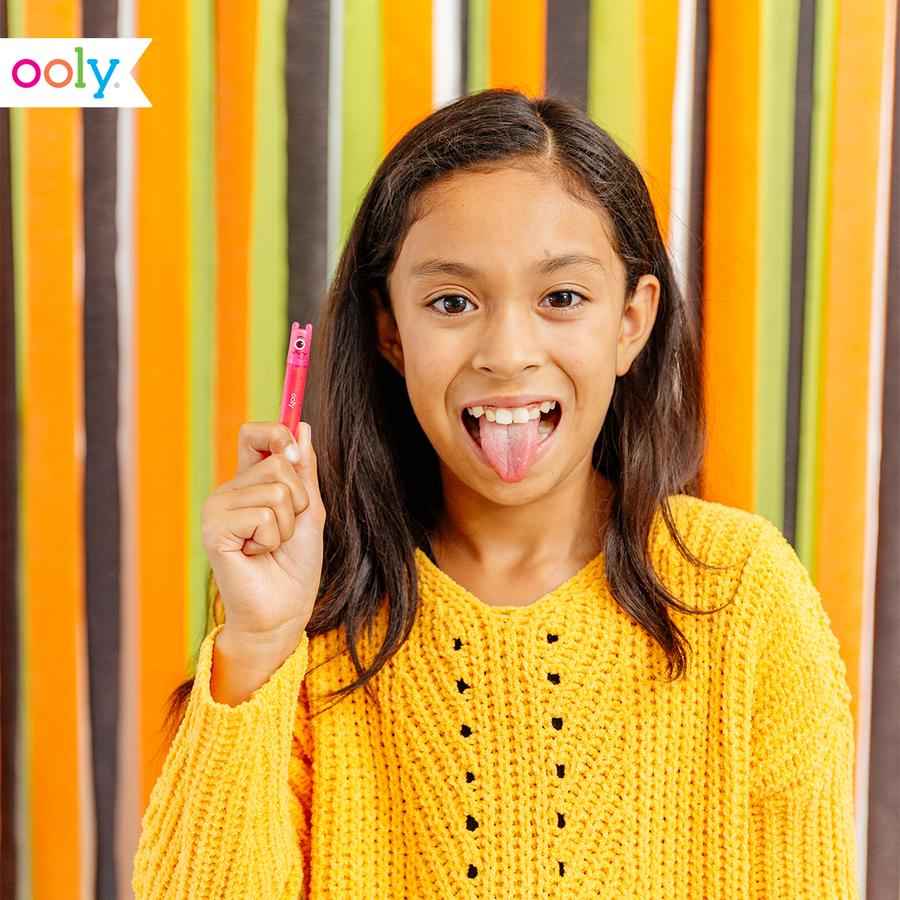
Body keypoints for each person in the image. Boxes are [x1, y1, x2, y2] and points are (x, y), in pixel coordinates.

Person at [131, 88, 858, 899]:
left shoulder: (741, 590)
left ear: (631, 321)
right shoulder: (308, 607)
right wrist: (260, 642)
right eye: (452, 302)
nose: (508, 353)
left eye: (561, 298)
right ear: (391, 331)